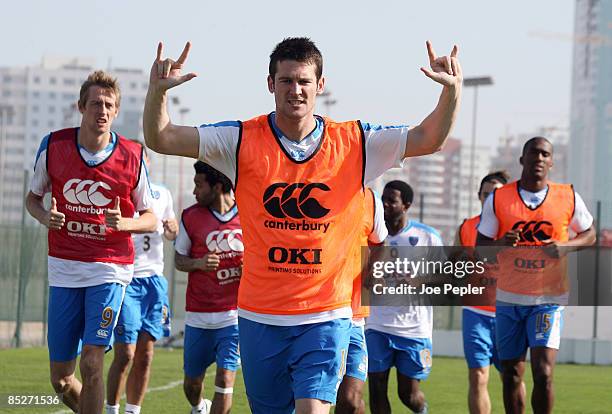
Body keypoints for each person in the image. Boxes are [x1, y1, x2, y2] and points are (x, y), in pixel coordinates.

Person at [144, 37, 462, 414]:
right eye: (286, 81)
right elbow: (161, 137)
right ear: (270, 84)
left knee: (314, 408)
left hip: (326, 313)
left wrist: (451, 92)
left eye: (304, 81)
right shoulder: (239, 138)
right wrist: (158, 92)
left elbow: (429, 138)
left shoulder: (355, 142)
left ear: (320, 86)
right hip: (259, 314)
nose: (295, 90)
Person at [25, 71, 157, 414]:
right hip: (64, 268)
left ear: (115, 113)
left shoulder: (132, 155)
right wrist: (44, 217)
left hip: (110, 267)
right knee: (62, 380)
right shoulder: (53, 146)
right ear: (81, 106)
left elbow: (151, 217)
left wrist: (124, 223)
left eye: (109, 105)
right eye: (96, 103)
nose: (102, 110)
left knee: (93, 362)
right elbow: (32, 198)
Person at [476, 137, 596, 414]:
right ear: (522, 159)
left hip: (548, 298)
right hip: (509, 299)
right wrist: (501, 244)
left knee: (543, 372)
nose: (539, 158)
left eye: (545, 154)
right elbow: (481, 250)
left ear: (552, 162)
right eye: (534, 153)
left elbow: (589, 234)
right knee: (512, 374)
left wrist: (566, 246)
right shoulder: (499, 198)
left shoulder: (568, 196)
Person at [105, 146, 179, 414]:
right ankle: (111, 408)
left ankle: (133, 410)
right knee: (125, 354)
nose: (140, 165)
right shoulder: (117, 192)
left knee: (146, 355)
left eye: (142, 160)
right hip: (127, 280)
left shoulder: (162, 194)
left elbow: (171, 231)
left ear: (148, 161)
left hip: (155, 283)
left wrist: (173, 229)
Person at [366, 180, 441, 414]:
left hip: (414, 329)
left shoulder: (427, 237)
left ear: (406, 205)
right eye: (383, 200)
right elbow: (364, 278)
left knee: (408, 394)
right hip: (377, 324)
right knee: (377, 388)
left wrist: (418, 281)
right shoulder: (371, 236)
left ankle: (422, 410)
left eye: (392, 200)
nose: (385, 204)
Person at [174, 161, 242, 414]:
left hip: (233, 317)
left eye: (199, 185)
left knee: (225, 381)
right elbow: (179, 260)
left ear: (217, 186)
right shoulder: (190, 216)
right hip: (198, 316)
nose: (194, 192)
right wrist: (198, 263)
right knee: (192, 385)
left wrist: (251, 269)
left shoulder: (249, 214)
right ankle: (199, 407)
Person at [456, 171, 516, 414]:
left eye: (496, 194)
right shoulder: (466, 227)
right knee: (478, 377)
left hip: (508, 313)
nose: (490, 198)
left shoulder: (515, 229)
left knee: (512, 377)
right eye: (486, 194)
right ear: (478, 197)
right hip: (475, 313)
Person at [336, 187, 387, 414]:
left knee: (351, 399)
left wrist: (374, 271)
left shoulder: (369, 198)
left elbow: (379, 243)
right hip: (318, 315)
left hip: (355, 317)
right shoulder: (312, 192)